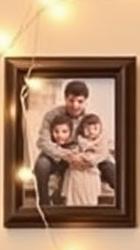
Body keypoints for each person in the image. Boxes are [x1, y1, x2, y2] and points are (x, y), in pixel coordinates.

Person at [33, 79, 116, 207]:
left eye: (80, 101)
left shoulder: (92, 118)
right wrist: (67, 156)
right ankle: (44, 205)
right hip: (59, 155)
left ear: (86, 101)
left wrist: (89, 159)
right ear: (65, 98)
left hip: (86, 156)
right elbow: (43, 142)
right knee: (41, 164)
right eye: (71, 100)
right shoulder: (51, 115)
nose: (75, 105)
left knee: (110, 167)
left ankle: (124, 205)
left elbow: (104, 144)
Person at [61, 113, 108, 207]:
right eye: (87, 128)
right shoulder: (77, 140)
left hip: (91, 171)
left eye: (95, 128)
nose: (91, 131)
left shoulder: (101, 142)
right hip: (76, 170)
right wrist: (75, 156)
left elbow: (102, 155)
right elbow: (68, 152)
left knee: (89, 196)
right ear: (82, 129)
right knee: (74, 179)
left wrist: (89, 158)